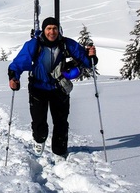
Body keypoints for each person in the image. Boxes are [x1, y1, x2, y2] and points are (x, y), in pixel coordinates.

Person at [8, 17, 97, 159]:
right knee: (39, 122)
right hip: (38, 88)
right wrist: (13, 76)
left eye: (54, 28)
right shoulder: (34, 44)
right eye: (48, 28)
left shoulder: (66, 44)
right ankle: (39, 139)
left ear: (58, 29)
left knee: (61, 122)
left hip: (59, 89)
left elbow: (86, 61)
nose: (52, 32)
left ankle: (60, 150)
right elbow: (20, 61)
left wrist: (91, 56)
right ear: (44, 30)